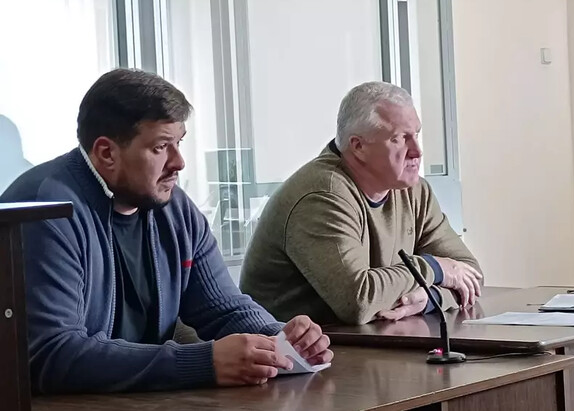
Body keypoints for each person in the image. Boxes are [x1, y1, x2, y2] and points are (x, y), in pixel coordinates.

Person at [0, 68, 332, 394]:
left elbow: (222, 308)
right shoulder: (45, 210)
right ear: (106, 153)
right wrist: (203, 363)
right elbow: (50, 356)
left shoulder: (173, 207)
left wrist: (280, 340)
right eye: (161, 147)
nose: (179, 162)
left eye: (179, 143)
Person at [240, 81, 483, 326]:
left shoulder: (414, 191)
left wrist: (428, 298)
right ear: (358, 147)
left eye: (416, 135)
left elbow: (470, 274)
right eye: (399, 138)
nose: (417, 151)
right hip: (294, 356)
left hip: (368, 343)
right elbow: (358, 302)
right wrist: (434, 268)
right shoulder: (323, 196)